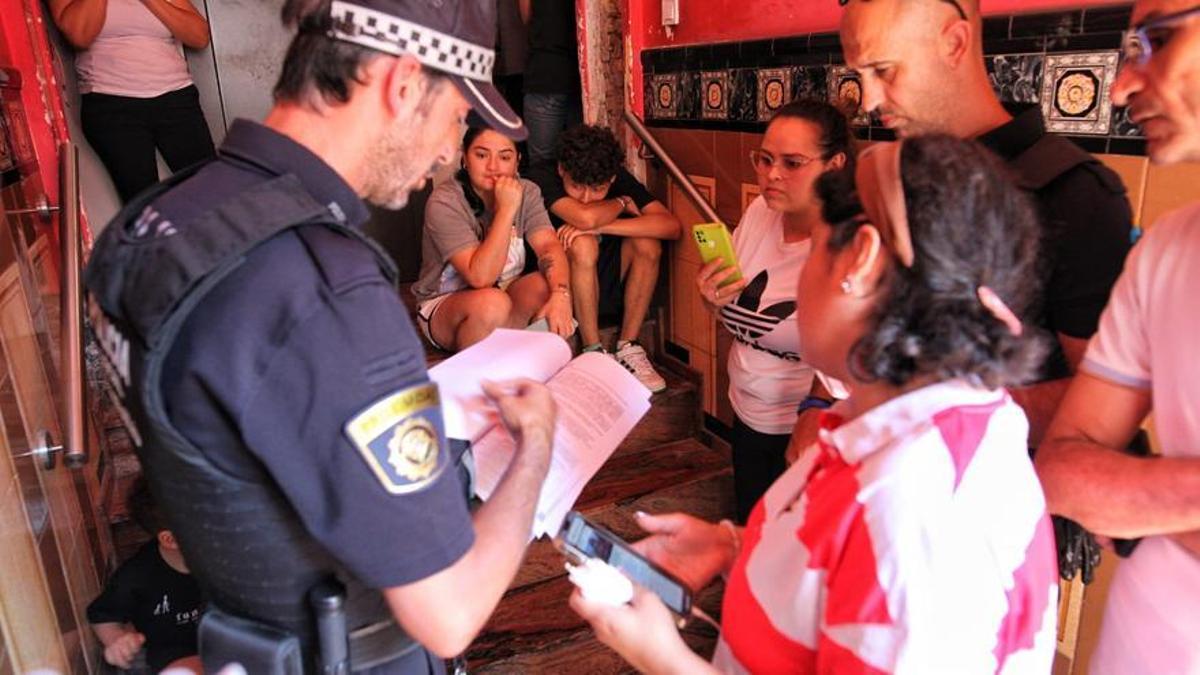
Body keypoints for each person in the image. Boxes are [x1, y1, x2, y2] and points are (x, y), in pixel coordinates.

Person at [84, 0, 557, 671]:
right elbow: (449, 611)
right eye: (456, 118)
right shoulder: (326, 288)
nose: (449, 151)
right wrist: (537, 444)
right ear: (403, 82)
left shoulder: (160, 217)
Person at [572, 136, 1059, 674]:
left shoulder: (916, 506)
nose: (798, 279)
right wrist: (733, 546)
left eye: (815, 249)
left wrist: (661, 657)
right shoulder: (889, 423)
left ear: (862, 259)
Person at [837, 0, 1135, 583]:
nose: (869, 101)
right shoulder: (893, 180)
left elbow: (1101, 410)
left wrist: (927, 413)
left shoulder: (1074, 197)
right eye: (860, 76)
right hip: (884, 501)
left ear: (953, 42)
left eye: (885, 70)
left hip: (996, 531)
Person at [1036, 2, 1200, 672]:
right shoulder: (1167, 250)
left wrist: (1142, 495)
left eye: (1158, 40)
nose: (1124, 83)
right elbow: (1063, 470)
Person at [694, 100, 853, 523]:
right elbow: (740, 315)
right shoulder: (760, 212)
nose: (771, 175)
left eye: (792, 162)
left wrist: (813, 412)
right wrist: (712, 300)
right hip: (746, 414)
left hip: (803, 431)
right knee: (752, 530)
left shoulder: (849, 245)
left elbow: (857, 348)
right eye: (764, 160)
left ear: (834, 165)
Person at [529, 124, 683, 392]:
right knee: (583, 243)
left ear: (612, 179)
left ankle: (629, 346)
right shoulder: (542, 175)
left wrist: (604, 226)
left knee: (647, 242)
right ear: (562, 170)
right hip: (560, 289)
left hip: (608, 281)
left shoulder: (614, 174)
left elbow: (671, 226)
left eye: (598, 189)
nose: (586, 198)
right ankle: (592, 350)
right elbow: (584, 217)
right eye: (576, 187)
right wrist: (620, 204)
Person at [414, 125, 573, 350]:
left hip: (505, 295)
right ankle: (476, 377)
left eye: (505, 157)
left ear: (517, 160)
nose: (493, 167)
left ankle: (532, 366)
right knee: (491, 303)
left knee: (546, 286)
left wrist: (560, 294)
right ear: (465, 158)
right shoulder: (445, 202)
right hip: (446, 308)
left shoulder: (527, 191)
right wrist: (506, 210)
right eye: (481, 155)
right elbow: (481, 278)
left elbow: (548, 246)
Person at [49, 0, 216, 202]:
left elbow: (200, 37)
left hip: (176, 96)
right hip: (112, 104)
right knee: (143, 204)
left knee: (211, 190)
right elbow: (79, 35)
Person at [88, 480, 204, 673]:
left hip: (221, 649)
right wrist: (118, 642)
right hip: (171, 662)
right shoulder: (138, 576)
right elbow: (102, 615)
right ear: (170, 539)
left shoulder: (222, 563)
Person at [519, 0, 582, 165]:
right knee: (585, 162)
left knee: (542, 164)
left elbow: (526, 17)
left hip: (546, 70)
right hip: (583, 73)